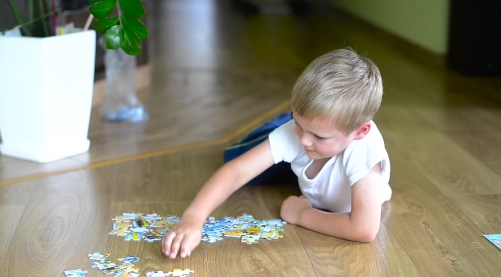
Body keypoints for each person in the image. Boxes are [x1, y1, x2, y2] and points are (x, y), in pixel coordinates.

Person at [162, 48, 392, 259]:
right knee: (234, 157)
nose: (304, 139)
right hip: (305, 164)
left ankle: (290, 134)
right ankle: (286, 122)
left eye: (319, 136)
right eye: (298, 123)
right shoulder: (299, 136)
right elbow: (237, 171)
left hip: (313, 173)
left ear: (360, 131)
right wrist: (193, 218)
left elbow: (363, 229)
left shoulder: (365, 150)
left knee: (290, 146)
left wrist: (301, 215)